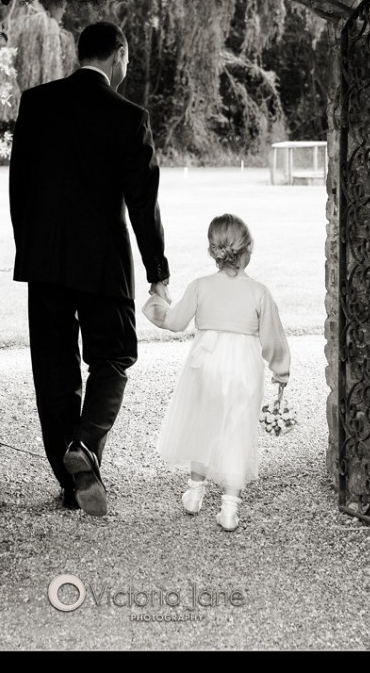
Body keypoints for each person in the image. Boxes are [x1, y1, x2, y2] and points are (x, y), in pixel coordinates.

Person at [9, 21, 171, 516]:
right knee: (114, 356)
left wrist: (31, 249)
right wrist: (157, 272)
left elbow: (19, 187)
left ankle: (71, 484)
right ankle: (85, 445)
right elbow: (143, 203)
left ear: (80, 53)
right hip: (102, 264)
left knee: (53, 371)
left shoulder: (36, 104)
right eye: (127, 59)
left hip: (44, 262)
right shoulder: (129, 116)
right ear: (118, 55)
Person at [142, 213, 290, 531]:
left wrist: (157, 303)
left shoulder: (200, 287)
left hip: (206, 363)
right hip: (243, 367)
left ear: (214, 251)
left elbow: (174, 321)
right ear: (248, 249)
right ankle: (229, 509)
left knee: (203, 424)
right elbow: (273, 336)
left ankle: (195, 494)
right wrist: (281, 370)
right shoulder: (259, 292)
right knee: (237, 431)